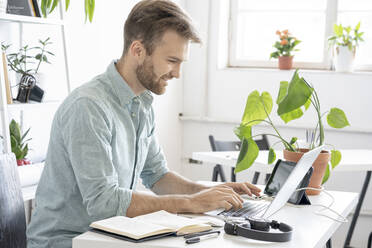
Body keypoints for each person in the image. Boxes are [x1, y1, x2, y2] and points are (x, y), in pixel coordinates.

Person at [27, 0, 261, 247]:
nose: (177, 73)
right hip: (67, 241)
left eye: (182, 62)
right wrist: (191, 203)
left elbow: (157, 176)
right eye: (172, 60)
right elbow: (103, 203)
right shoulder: (88, 107)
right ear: (138, 50)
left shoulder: (142, 103)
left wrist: (208, 193)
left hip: (107, 236)